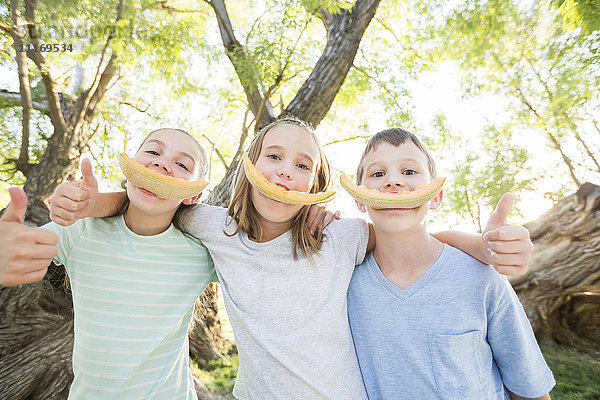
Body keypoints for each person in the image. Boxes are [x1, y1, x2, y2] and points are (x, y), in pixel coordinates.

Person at [33, 117, 534, 400]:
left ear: (316, 187)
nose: (284, 172)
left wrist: (482, 245)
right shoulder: (212, 227)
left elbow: (407, 230)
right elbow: (152, 198)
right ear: (250, 166)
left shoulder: (342, 238)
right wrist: (91, 203)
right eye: (272, 156)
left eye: (302, 165)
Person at [0, 128, 219, 399]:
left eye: (182, 164)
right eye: (152, 152)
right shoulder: (80, 231)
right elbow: (19, 250)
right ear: (131, 165)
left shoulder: (201, 255)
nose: (162, 164)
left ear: (194, 195)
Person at [347, 128, 554, 400]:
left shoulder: (481, 277)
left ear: (436, 197)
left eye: (409, 172)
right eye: (377, 174)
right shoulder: (345, 285)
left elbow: (529, 389)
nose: (393, 182)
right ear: (360, 199)